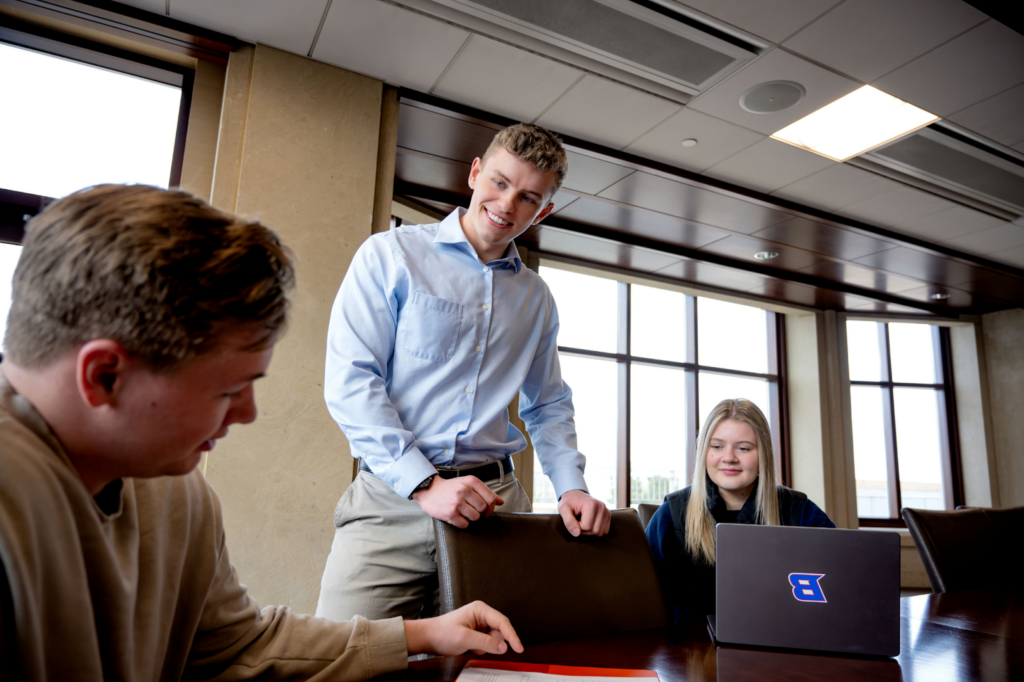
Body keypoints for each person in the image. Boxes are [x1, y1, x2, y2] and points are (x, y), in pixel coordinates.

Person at [0, 184, 524, 682]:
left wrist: (422, 634)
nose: (247, 413)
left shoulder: (179, 495)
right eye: (228, 391)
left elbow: (238, 646)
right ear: (104, 376)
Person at [317, 123, 611, 622]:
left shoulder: (536, 298)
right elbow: (351, 383)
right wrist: (426, 486)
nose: (506, 204)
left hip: (495, 510)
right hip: (392, 504)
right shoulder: (391, 255)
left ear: (543, 210)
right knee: (341, 662)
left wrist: (571, 486)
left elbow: (548, 403)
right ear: (475, 173)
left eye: (527, 197)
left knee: (491, 668)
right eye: (499, 182)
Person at [646, 398, 834, 624]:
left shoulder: (801, 513)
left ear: (762, 454)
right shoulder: (671, 515)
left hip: (778, 646)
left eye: (743, 448)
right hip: (690, 650)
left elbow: (837, 587)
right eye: (717, 446)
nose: (729, 458)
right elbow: (644, 599)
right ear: (704, 452)